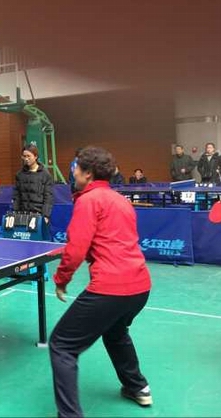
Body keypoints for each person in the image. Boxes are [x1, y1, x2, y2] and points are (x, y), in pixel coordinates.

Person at [49, 146, 152, 417]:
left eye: (76, 168)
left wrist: (61, 280)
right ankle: (138, 387)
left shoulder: (88, 200)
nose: (73, 172)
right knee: (116, 332)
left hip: (110, 288)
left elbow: (76, 249)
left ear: (88, 173)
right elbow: (114, 240)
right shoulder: (120, 200)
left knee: (62, 345)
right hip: (140, 286)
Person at [12, 144, 54, 224]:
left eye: (29, 156)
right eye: (24, 156)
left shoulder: (45, 174)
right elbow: (16, 196)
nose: (26, 159)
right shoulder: (19, 174)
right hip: (23, 215)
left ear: (35, 156)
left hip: (39, 216)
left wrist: (46, 215)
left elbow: (48, 197)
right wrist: (14, 212)